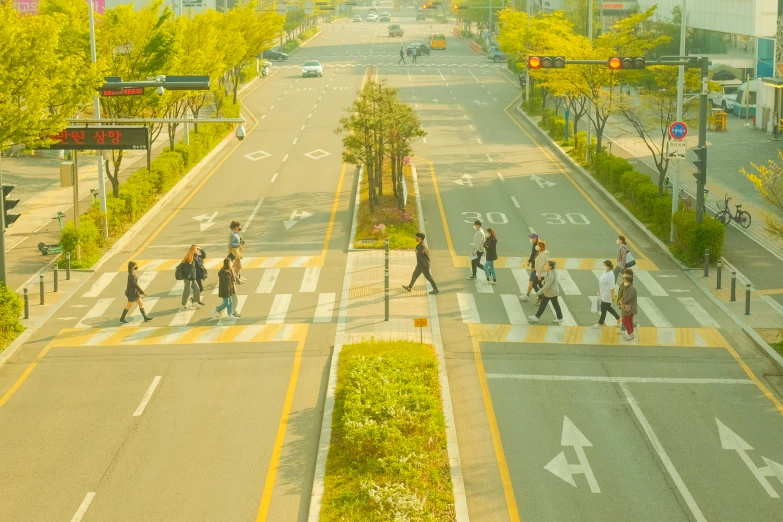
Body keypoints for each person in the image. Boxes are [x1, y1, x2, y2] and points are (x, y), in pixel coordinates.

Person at [593, 260, 621, 329]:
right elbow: (602, 283)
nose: (603, 266)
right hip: (603, 293)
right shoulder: (604, 272)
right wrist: (600, 292)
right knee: (606, 308)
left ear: (609, 267)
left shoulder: (611, 275)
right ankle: (618, 319)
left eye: (604, 265)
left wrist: (612, 296)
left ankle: (601, 323)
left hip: (607, 294)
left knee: (605, 308)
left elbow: (612, 287)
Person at [180, 245, 203, 310]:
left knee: (197, 289)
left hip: (192, 277)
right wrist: (190, 277)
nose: (197, 251)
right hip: (188, 278)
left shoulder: (194, 257)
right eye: (196, 249)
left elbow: (203, 255)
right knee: (187, 290)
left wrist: (200, 249)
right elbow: (188, 270)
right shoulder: (189, 258)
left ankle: (195, 303)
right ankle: (183, 305)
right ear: (193, 251)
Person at [520, 233, 539, 301]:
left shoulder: (536, 246)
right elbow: (532, 255)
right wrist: (529, 261)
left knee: (532, 282)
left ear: (535, 238)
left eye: (531, 238)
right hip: (535, 267)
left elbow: (535, 256)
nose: (530, 239)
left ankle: (537, 296)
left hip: (535, 267)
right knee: (536, 282)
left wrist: (533, 266)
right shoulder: (535, 245)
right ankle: (535, 295)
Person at [619, 275, 638, 340]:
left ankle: (630, 333)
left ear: (629, 282)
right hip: (628, 307)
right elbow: (625, 295)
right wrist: (621, 299)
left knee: (625, 320)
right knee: (630, 320)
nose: (624, 282)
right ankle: (631, 333)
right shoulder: (627, 287)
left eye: (625, 281)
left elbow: (629, 298)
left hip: (629, 308)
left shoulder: (632, 289)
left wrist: (622, 302)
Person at [532, 239, 549, 305]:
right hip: (541, 273)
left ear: (541, 247)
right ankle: (542, 297)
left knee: (534, 284)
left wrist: (538, 274)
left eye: (538, 246)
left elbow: (541, 265)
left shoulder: (542, 256)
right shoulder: (542, 254)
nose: (536, 247)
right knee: (540, 285)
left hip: (540, 274)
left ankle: (540, 297)